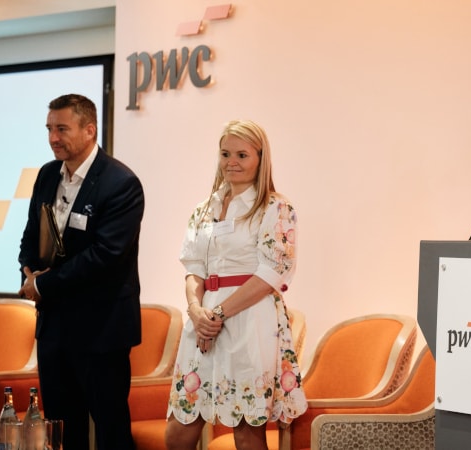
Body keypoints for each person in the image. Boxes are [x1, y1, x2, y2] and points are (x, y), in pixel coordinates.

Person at [164, 120, 307, 450]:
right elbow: (194, 267)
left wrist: (217, 314)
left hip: (250, 321)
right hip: (203, 321)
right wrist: (196, 310)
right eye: (225, 153)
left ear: (260, 158)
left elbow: (272, 273)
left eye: (242, 155)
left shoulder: (275, 207)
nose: (232, 162)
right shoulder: (204, 209)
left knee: (247, 431)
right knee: (179, 430)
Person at [18, 93, 145, 450]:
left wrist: (43, 285)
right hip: (54, 327)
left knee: (109, 429)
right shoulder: (47, 174)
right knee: (60, 428)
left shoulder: (121, 183)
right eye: (49, 129)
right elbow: (31, 235)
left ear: (89, 130)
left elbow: (105, 255)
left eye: (62, 129)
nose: (53, 138)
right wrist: (28, 272)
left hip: (101, 329)